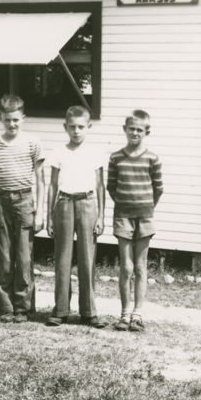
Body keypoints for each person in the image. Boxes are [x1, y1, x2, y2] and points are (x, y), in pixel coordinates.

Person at [0, 93, 45, 323]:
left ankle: (24, 308)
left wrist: (41, 211)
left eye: (16, 120)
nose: (12, 124)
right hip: (1, 201)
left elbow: (40, 178)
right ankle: (6, 307)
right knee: (4, 257)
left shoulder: (32, 143)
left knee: (24, 256)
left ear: (23, 118)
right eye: (8, 120)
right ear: (0, 118)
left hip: (25, 201)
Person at [45, 105, 106, 328]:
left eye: (81, 127)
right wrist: (49, 215)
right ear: (65, 127)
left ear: (88, 127)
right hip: (64, 203)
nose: (77, 131)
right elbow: (52, 185)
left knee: (87, 258)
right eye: (72, 127)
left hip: (88, 203)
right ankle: (60, 309)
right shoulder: (58, 152)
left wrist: (101, 217)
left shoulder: (95, 152)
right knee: (63, 258)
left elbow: (100, 186)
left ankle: (88, 311)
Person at [107, 110, 164, 333]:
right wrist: (126, 204)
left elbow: (158, 188)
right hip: (123, 216)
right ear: (125, 129)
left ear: (146, 132)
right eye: (131, 128)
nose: (135, 133)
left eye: (140, 130)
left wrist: (146, 207)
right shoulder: (116, 158)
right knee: (126, 267)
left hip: (145, 216)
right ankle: (123, 313)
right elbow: (111, 186)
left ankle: (137, 314)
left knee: (140, 267)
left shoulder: (153, 158)